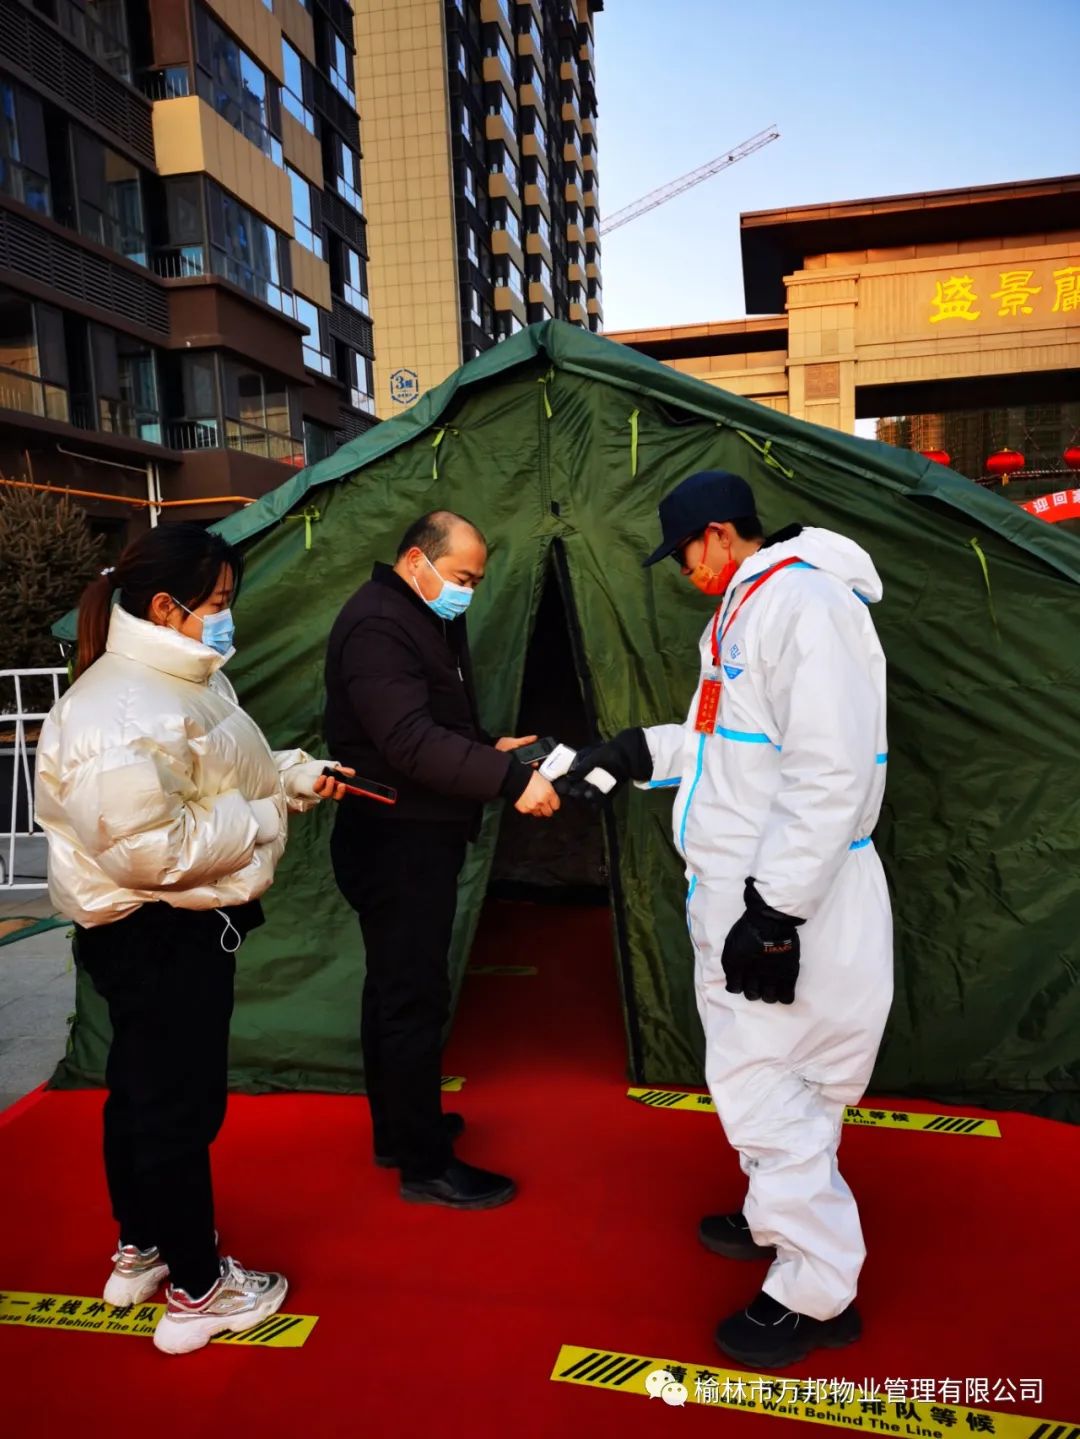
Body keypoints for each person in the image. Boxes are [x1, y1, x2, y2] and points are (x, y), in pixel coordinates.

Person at [565, 470, 892, 1367]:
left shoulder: (802, 606)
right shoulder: (747, 609)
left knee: (767, 1086)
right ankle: (775, 1219)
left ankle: (814, 1290)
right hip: (757, 891)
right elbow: (730, 747)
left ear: (717, 532)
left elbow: (832, 772)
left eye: (684, 554)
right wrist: (635, 752)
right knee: (783, 1081)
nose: (684, 571)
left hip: (788, 896)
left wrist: (776, 911)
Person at [34, 523, 353, 1356]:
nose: (225, 615)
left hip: (156, 930)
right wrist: (263, 812)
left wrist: (289, 774)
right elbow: (154, 851)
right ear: (165, 606)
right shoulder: (122, 708)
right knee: (177, 1107)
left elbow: (215, 769)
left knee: (141, 1093)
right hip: (160, 930)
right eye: (216, 602)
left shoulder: (179, 679)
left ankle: (142, 1247)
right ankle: (199, 1289)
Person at [324, 510, 559, 1210]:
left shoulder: (420, 616)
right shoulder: (379, 624)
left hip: (413, 834)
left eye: (477, 582)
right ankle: (424, 1163)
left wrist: (489, 747)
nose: (469, 592)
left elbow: (436, 724)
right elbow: (408, 741)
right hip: (396, 841)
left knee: (394, 990)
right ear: (415, 561)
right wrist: (511, 780)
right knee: (411, 998)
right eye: (462, 577)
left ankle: (401, 1131)